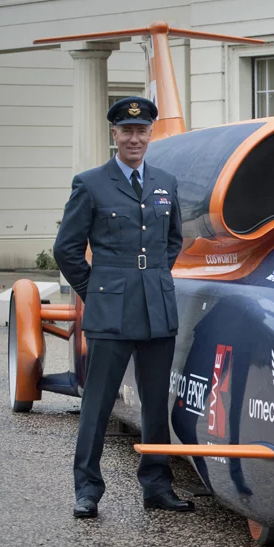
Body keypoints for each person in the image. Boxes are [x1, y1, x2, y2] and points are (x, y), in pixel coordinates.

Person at [54, 96, 194, 518]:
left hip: (156, 310)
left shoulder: (166, 182)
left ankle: (156, 486)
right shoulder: (91, 183)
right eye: (127, 131)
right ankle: (88, 490)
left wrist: (153, 275)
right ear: (114, 134)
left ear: (151, 134)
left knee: (156, 405)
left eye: (142, 131)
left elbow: (173, 240)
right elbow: (67, 249)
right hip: (110, 312)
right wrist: (96, 289)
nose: (135, 138)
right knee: (97, 404)